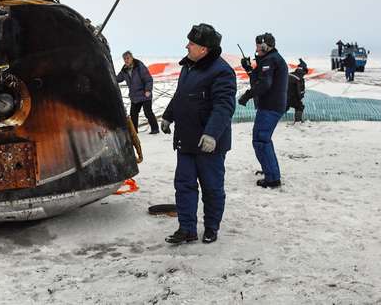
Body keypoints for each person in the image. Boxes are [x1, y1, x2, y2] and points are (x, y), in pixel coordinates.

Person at [160, 23, 236, 244]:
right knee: (184, 185)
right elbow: (180, 96)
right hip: (186, 138)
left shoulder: (222, 71)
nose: (187, 46)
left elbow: (224, 106)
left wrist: (212, 134)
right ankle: (187, 229)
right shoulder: (188, 67)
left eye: (191, 44)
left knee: (212, 188)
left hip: (208, 144)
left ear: (204, 49)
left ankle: (211, 227)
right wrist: (168, 116)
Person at [238, 32, 288, 188]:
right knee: (263, 139)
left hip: (270, 106)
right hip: (270, 106)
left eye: (259, 46)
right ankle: (270, 170)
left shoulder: (270, 60)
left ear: (266, 45)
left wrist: (247, 95)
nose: (257, 49)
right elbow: (259, 80)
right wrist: (249, 69)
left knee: (261, 140)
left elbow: (264, 85)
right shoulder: (269, 60)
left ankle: (272, 178)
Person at [116, 51, 159, 134]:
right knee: (133, 114)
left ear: (132, 58)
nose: (126, 60)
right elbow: (118, 79)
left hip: (144, 94)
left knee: (148, 112)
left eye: (128, 58)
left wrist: (148, 90)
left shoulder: (139, 67)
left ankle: (155, 129)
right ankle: (134, 131)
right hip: (135, 96)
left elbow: (148, 79)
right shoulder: (124, 70)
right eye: (124, 59)